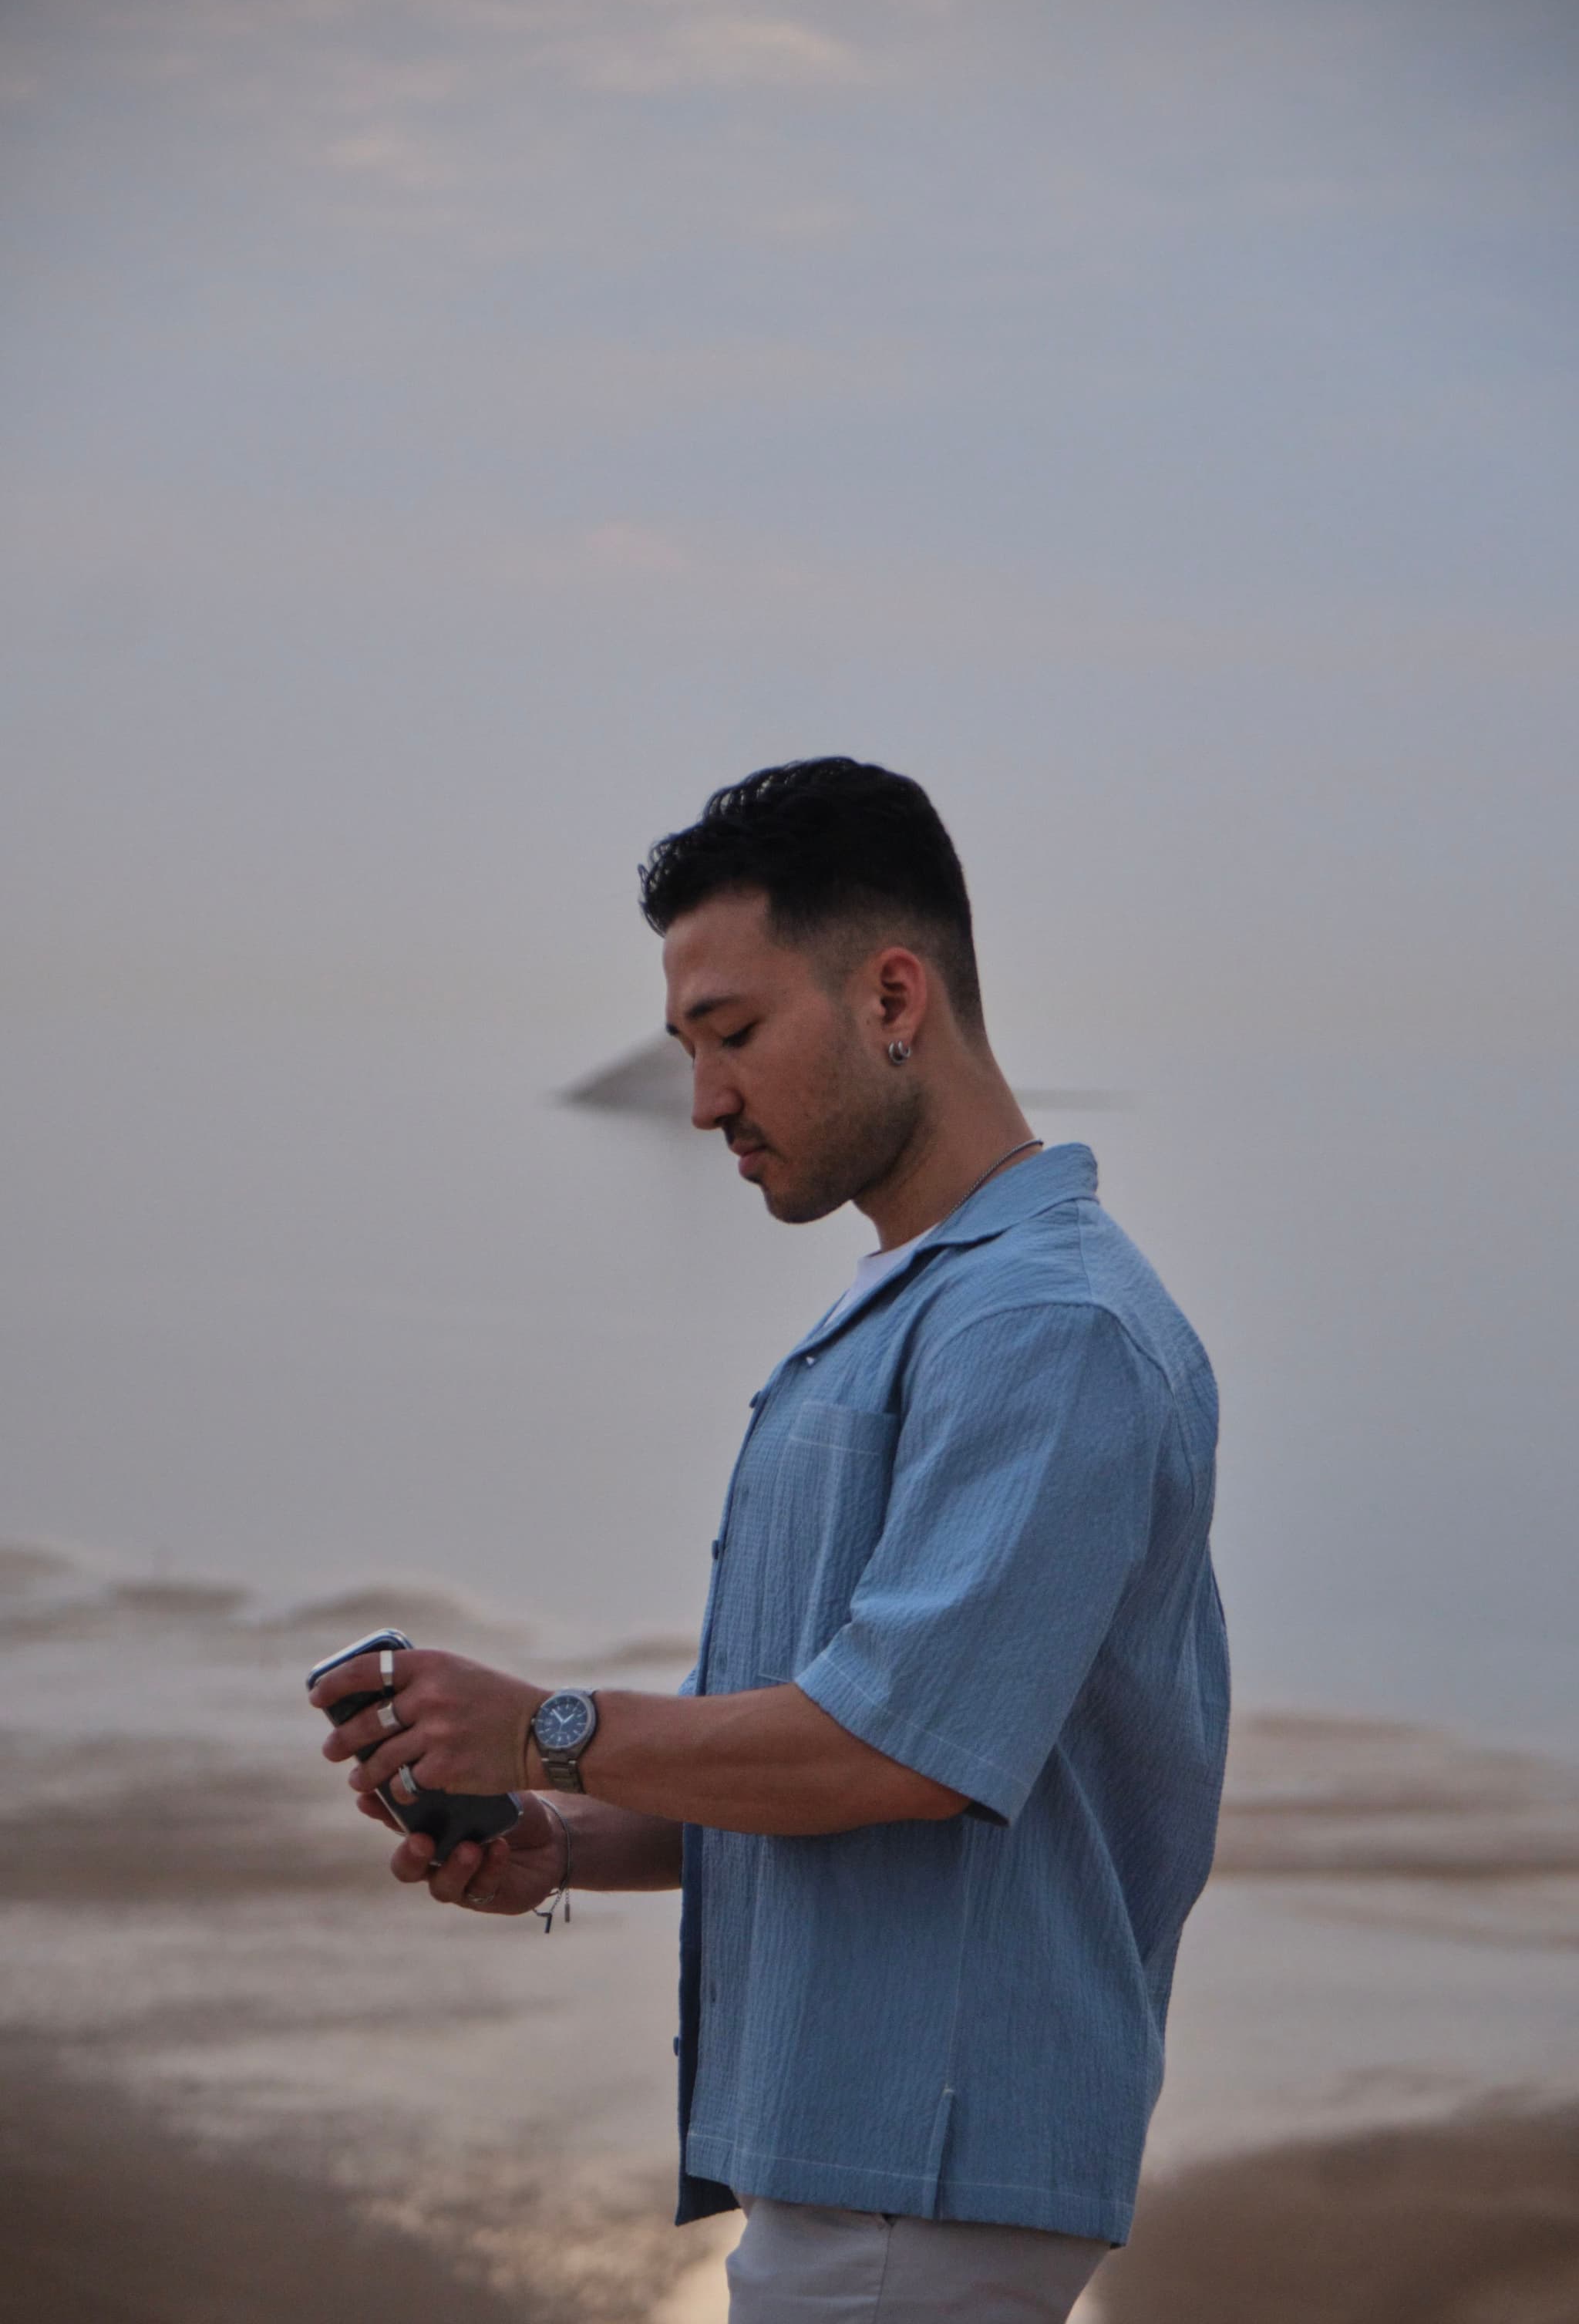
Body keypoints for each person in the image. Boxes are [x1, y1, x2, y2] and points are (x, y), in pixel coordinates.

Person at [310, 759, 1229, 2322]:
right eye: (687, 1050)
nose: (704, 1103)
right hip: (863, 2170)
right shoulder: (928, 1301)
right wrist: (564, 1837)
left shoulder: (1044, 1328)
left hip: (922, 2181)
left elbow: (897, 1751)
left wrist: (544, 1728)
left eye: (733, 1035)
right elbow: (821, 1759)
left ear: (892, 997)